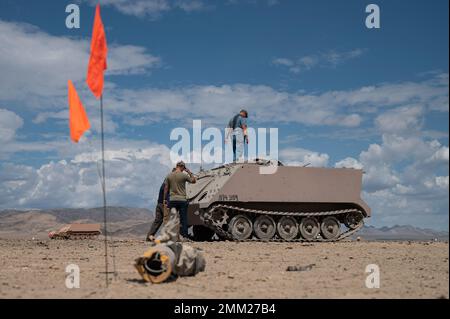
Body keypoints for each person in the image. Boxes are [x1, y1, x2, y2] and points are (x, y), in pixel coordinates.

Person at [163, 161, 196, 240]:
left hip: (172, 200)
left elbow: (166, 188)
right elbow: (194, 181)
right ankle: (184, 236)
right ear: (182, 167)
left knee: (172, 219)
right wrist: (189, 172)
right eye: (184, 168)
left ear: (176, 166)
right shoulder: (183, 175)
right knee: (183, 219)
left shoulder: (169, 175)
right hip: (182, 200)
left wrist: (164, 198)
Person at [146, 169, 175, 242]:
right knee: (167, 221)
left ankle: (149, 236)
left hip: (159, 204)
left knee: (157, 221)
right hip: (164, 204)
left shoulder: (164, 182)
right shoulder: (169, 183)